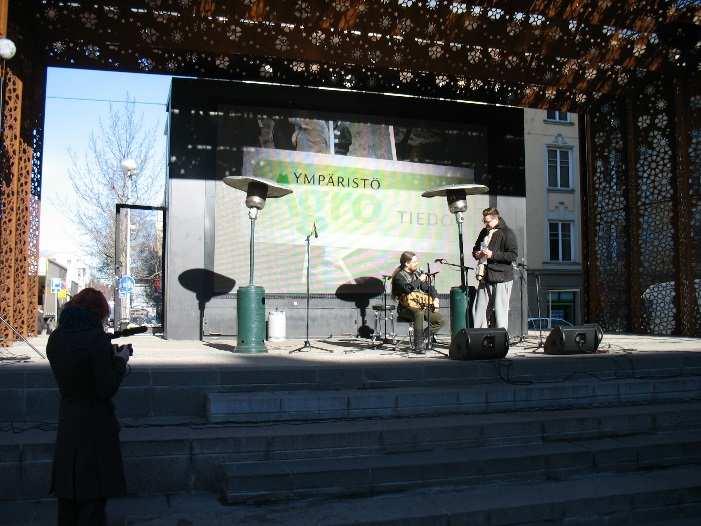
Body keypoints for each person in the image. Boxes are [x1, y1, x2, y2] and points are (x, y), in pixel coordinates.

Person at [46, 288, 130, 526]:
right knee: (93, 491)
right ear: (98, 312)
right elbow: (105, 388)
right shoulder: (96, 339)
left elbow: (76, 367)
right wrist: (120, 362)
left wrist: (107, 358)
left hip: (68, 419)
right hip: (95, 422)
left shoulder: (56, 338)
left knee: (68, 491)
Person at [472, 207, 518, 331]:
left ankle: (501, 340)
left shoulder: (507, 233)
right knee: (479, 310)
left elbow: (512, 255)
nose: (486, 224)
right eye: (484, 221)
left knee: (500, 311)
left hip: (501, 277)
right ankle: (478, 337)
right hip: (485, 275)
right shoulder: (484, 232)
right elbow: (476, 247)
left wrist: (493, 255)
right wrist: (477, 253)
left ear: (496, 218)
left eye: (488, 222)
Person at [391, 251, 444, 349]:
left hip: (419, 306)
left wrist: (435, 298)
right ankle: (419, 345)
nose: (417, 264)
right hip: (405, 309)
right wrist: (419, 280)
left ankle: (421, 337)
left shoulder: (416, 274)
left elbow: (429, 288)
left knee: (440, 320)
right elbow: (407, 289)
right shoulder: (399, 276)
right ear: (407, 263)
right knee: (418, 313)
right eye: (414, 262)